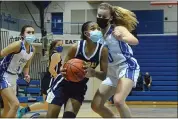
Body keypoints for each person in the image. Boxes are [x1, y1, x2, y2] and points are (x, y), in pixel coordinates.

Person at [46, 21, 108, 118]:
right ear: (86, 33)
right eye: (93, 28)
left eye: (98, 29)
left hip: (79, 86)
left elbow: (105, 76)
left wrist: (94, 73)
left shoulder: (102, 51)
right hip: (63, 84)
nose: (97, 30)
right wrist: (63, 70)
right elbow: (64, 67)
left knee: (69, 117)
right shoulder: (75, 47)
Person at [91, 3, 140, 118]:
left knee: (118, 101)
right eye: (99, 16)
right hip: (111, 71)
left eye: (104, 17)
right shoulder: (96, 34)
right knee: (96, 105)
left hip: (126, 66)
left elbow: (135, 41)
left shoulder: (117, 29)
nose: (100, 19)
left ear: (111, 18)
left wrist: (122, 37)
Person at [17, 40, 63, 118]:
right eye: (58, 45)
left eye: (61, 45)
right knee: (48, 104)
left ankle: (25, 110)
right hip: (50, 80)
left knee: (46, 104)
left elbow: (54, 68)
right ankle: (27, 112)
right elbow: (51, 69)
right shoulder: (56, 55)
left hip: (48, 79)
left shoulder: (53, 54)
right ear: (54, 46)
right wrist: (58, 78)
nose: (60, 46)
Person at [0, 25, 36, 117]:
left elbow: (27, 65)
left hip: (14, 77)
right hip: (3, 74)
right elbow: (1, 53)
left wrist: (26, 74)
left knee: (8, 107)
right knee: (15, 104)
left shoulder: (33, 49)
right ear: (22, 35)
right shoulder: (18, 45)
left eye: (33, 32)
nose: (31, 34)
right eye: (28, 32)